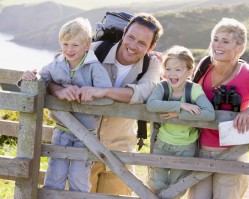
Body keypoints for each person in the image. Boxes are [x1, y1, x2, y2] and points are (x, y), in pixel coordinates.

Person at [46, 13, 164, 195]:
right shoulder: (96, 49)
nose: (133, 46)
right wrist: (56, 89)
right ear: (124, 33)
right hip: (82, 145)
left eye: (142, 43)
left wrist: (103, 91)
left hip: (119, 151)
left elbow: (143, 92)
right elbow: (56, 68)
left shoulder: (152, 65)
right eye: (131, 37)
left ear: (152, 47)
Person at [187, 18, 249, 199]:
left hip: (233, 154)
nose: (217, 45)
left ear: (239, 48)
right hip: (199, 151)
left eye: (225, 41)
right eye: (215, 39)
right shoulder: (204, 66)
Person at [19, 17, 113, 192]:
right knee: (55, 176)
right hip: (61, 131)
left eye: (75, 45)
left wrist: (90, 94)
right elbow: (42, 79)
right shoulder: (55, 65)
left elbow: (108, 97)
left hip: (86, 135)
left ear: (87, 46)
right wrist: (31, 77)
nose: (69, 50)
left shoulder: (95, 69)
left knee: (79, 179)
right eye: (65, 44)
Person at [146, 45, 215, 197]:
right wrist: (180, 105)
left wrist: (179, 114)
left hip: (186, 147)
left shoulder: (194, 90)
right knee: (156, 184)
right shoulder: (162, 87)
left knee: (177, 188)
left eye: (178, 69)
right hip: (162, 143)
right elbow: (151, 105)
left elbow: (209, 114)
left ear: (189, 72)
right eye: (168, 69)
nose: (172, 74)